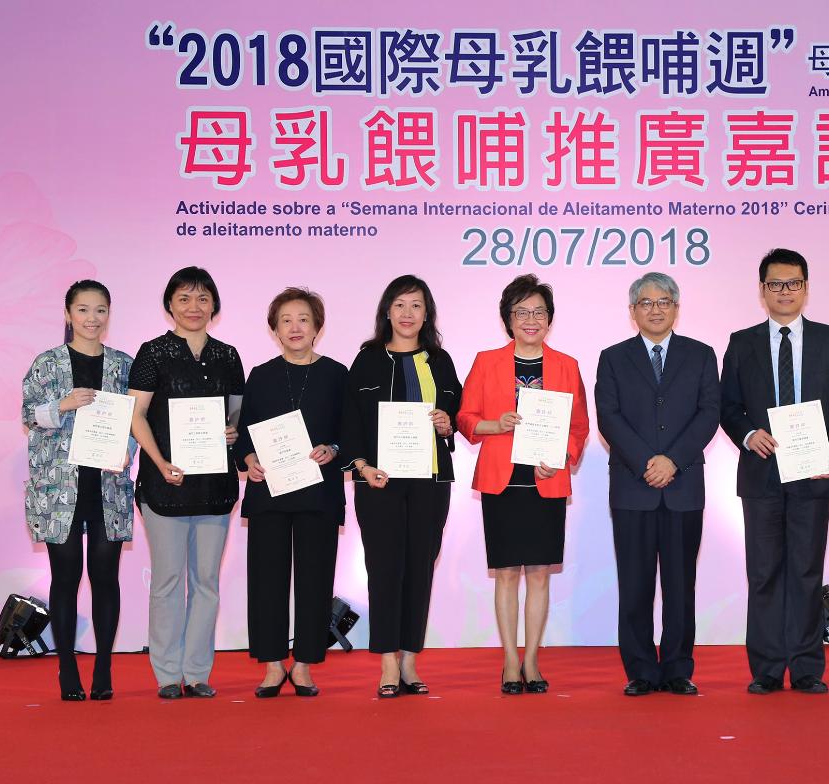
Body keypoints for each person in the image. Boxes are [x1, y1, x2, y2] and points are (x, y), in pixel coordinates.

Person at [719, 248, 829, 695]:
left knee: (805, 572)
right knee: (763, 574)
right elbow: (727, 406)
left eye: (793, 283)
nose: (785, 291)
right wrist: (747, 434)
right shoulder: (742, 342)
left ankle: (805, 668)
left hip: (813, 473)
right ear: (762, 290)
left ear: (806, 288)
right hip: (761, 473)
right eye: (776, 284)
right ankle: (765, 668)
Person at [457, 274, 590, 695]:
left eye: (539, 312)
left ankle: (532, 659)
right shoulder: (486, 361)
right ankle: (510, 661)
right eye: (522, 312)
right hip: (502, 481)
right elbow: (464, 418)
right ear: (508, 319)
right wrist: (494, 424)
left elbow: (579, 427)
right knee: (506, 575)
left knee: (539, 575)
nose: (531, 320)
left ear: (549, 319)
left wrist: (562, 458)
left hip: (545, 481)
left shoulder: (567, 365)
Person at [595, 272, 720, 697]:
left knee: (681, 586)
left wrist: (673, 460)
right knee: (635, 585)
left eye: (663, 301)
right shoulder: (613, 358)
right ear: (632, 311)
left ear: (676, 308)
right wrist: (647, 462)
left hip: (683, 486)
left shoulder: (701, 355)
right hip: (633, 486)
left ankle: (678, 668)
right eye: (645, 303)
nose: (655, 309)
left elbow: (709, 412)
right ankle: (641, 670)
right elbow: (608, 416)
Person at [341, 276, 460, 698]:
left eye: (416, 305)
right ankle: (388, 662)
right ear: (387, 312)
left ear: (427, 314)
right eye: (400, 305)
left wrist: (447, 422)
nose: (408, 313)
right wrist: (361, 466)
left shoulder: (440, 361)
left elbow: (455, 412)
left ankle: (410, 660)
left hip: (430, 481)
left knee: (419, 569)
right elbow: (350, 420)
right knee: (384, 568)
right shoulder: (367, 360)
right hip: (380, 482)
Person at [128, 266, 244, 699]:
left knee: (206, 582)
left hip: (215, 486)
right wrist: (159, 462)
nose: (194, 307)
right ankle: (166, 674)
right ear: (169, 305)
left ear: (214, 305)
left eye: (202, 298)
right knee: (168, 580)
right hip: (165, 485)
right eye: (184, 298)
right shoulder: (153, 352)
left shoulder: (228, 355)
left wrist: (233, 432)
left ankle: (196, 672)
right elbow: (136, 415)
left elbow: (237, 413)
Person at [22, 280, 134, 701]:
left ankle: (103, 667)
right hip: (59, 488)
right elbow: (29, 414)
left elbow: (138, 420)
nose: (92, 318)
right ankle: (67, 667)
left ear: (109, 314)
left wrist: (127, 451)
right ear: (68, 314)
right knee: (65, 578)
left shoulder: (123, 364)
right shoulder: (47, 362)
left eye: (100, 310)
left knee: (105, 578)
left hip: (108, 486)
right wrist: (63, 405)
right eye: (83, 309)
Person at [234, 288, 347, 698]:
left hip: (319, 493)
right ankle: (271, 664)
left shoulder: (337, 374)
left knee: (315, 581)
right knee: (266, 581)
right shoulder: (260, 375)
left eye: (303, 319)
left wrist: (333, 449)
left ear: (317, 327)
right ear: (275, 329)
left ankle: (303, 665)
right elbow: (242, 433)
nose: (295, 327)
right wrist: (247, 459)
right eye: (286, 320)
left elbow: (350, 431)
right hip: (270, 493)